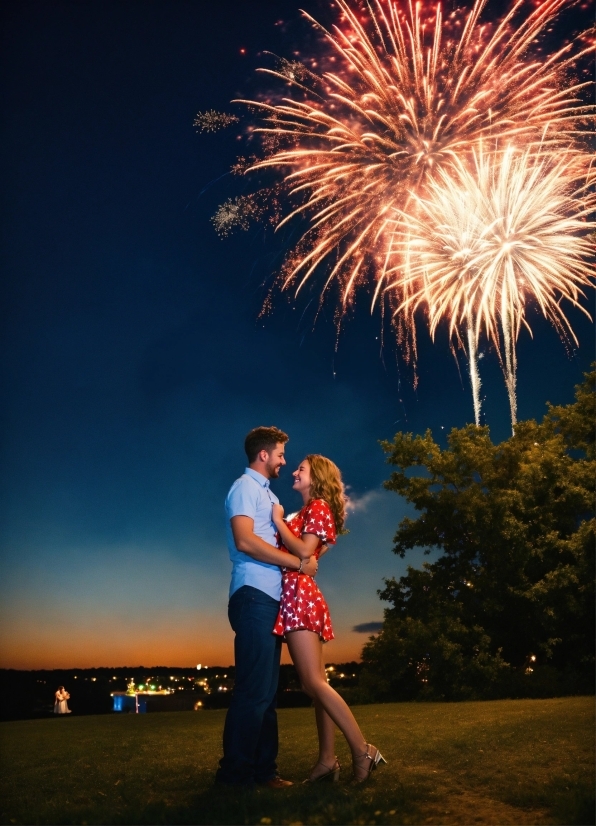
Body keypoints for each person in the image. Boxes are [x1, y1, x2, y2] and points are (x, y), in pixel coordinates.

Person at [272, 454, 386, 784]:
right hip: (298, 594)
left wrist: (279, 522)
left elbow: (305, 552)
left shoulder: (318, 507)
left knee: (312, 683)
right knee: (317, 685)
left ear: (316, 477)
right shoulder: (308, 510)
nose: (294, 471)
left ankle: (363, 750)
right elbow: (304, 556)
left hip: (300, 597)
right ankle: (326, 762)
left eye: (301, 469)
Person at [215, 426, 319, 788]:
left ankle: (264, 772)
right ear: (263, 454)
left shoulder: (267, 494)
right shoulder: (245, 488)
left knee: (266, 693)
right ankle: (235, 776)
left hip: (269, 599)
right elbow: (245, 541)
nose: (284, 461)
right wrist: (297, 563)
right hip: (253, 595)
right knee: (253, 691)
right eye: (280, 454)